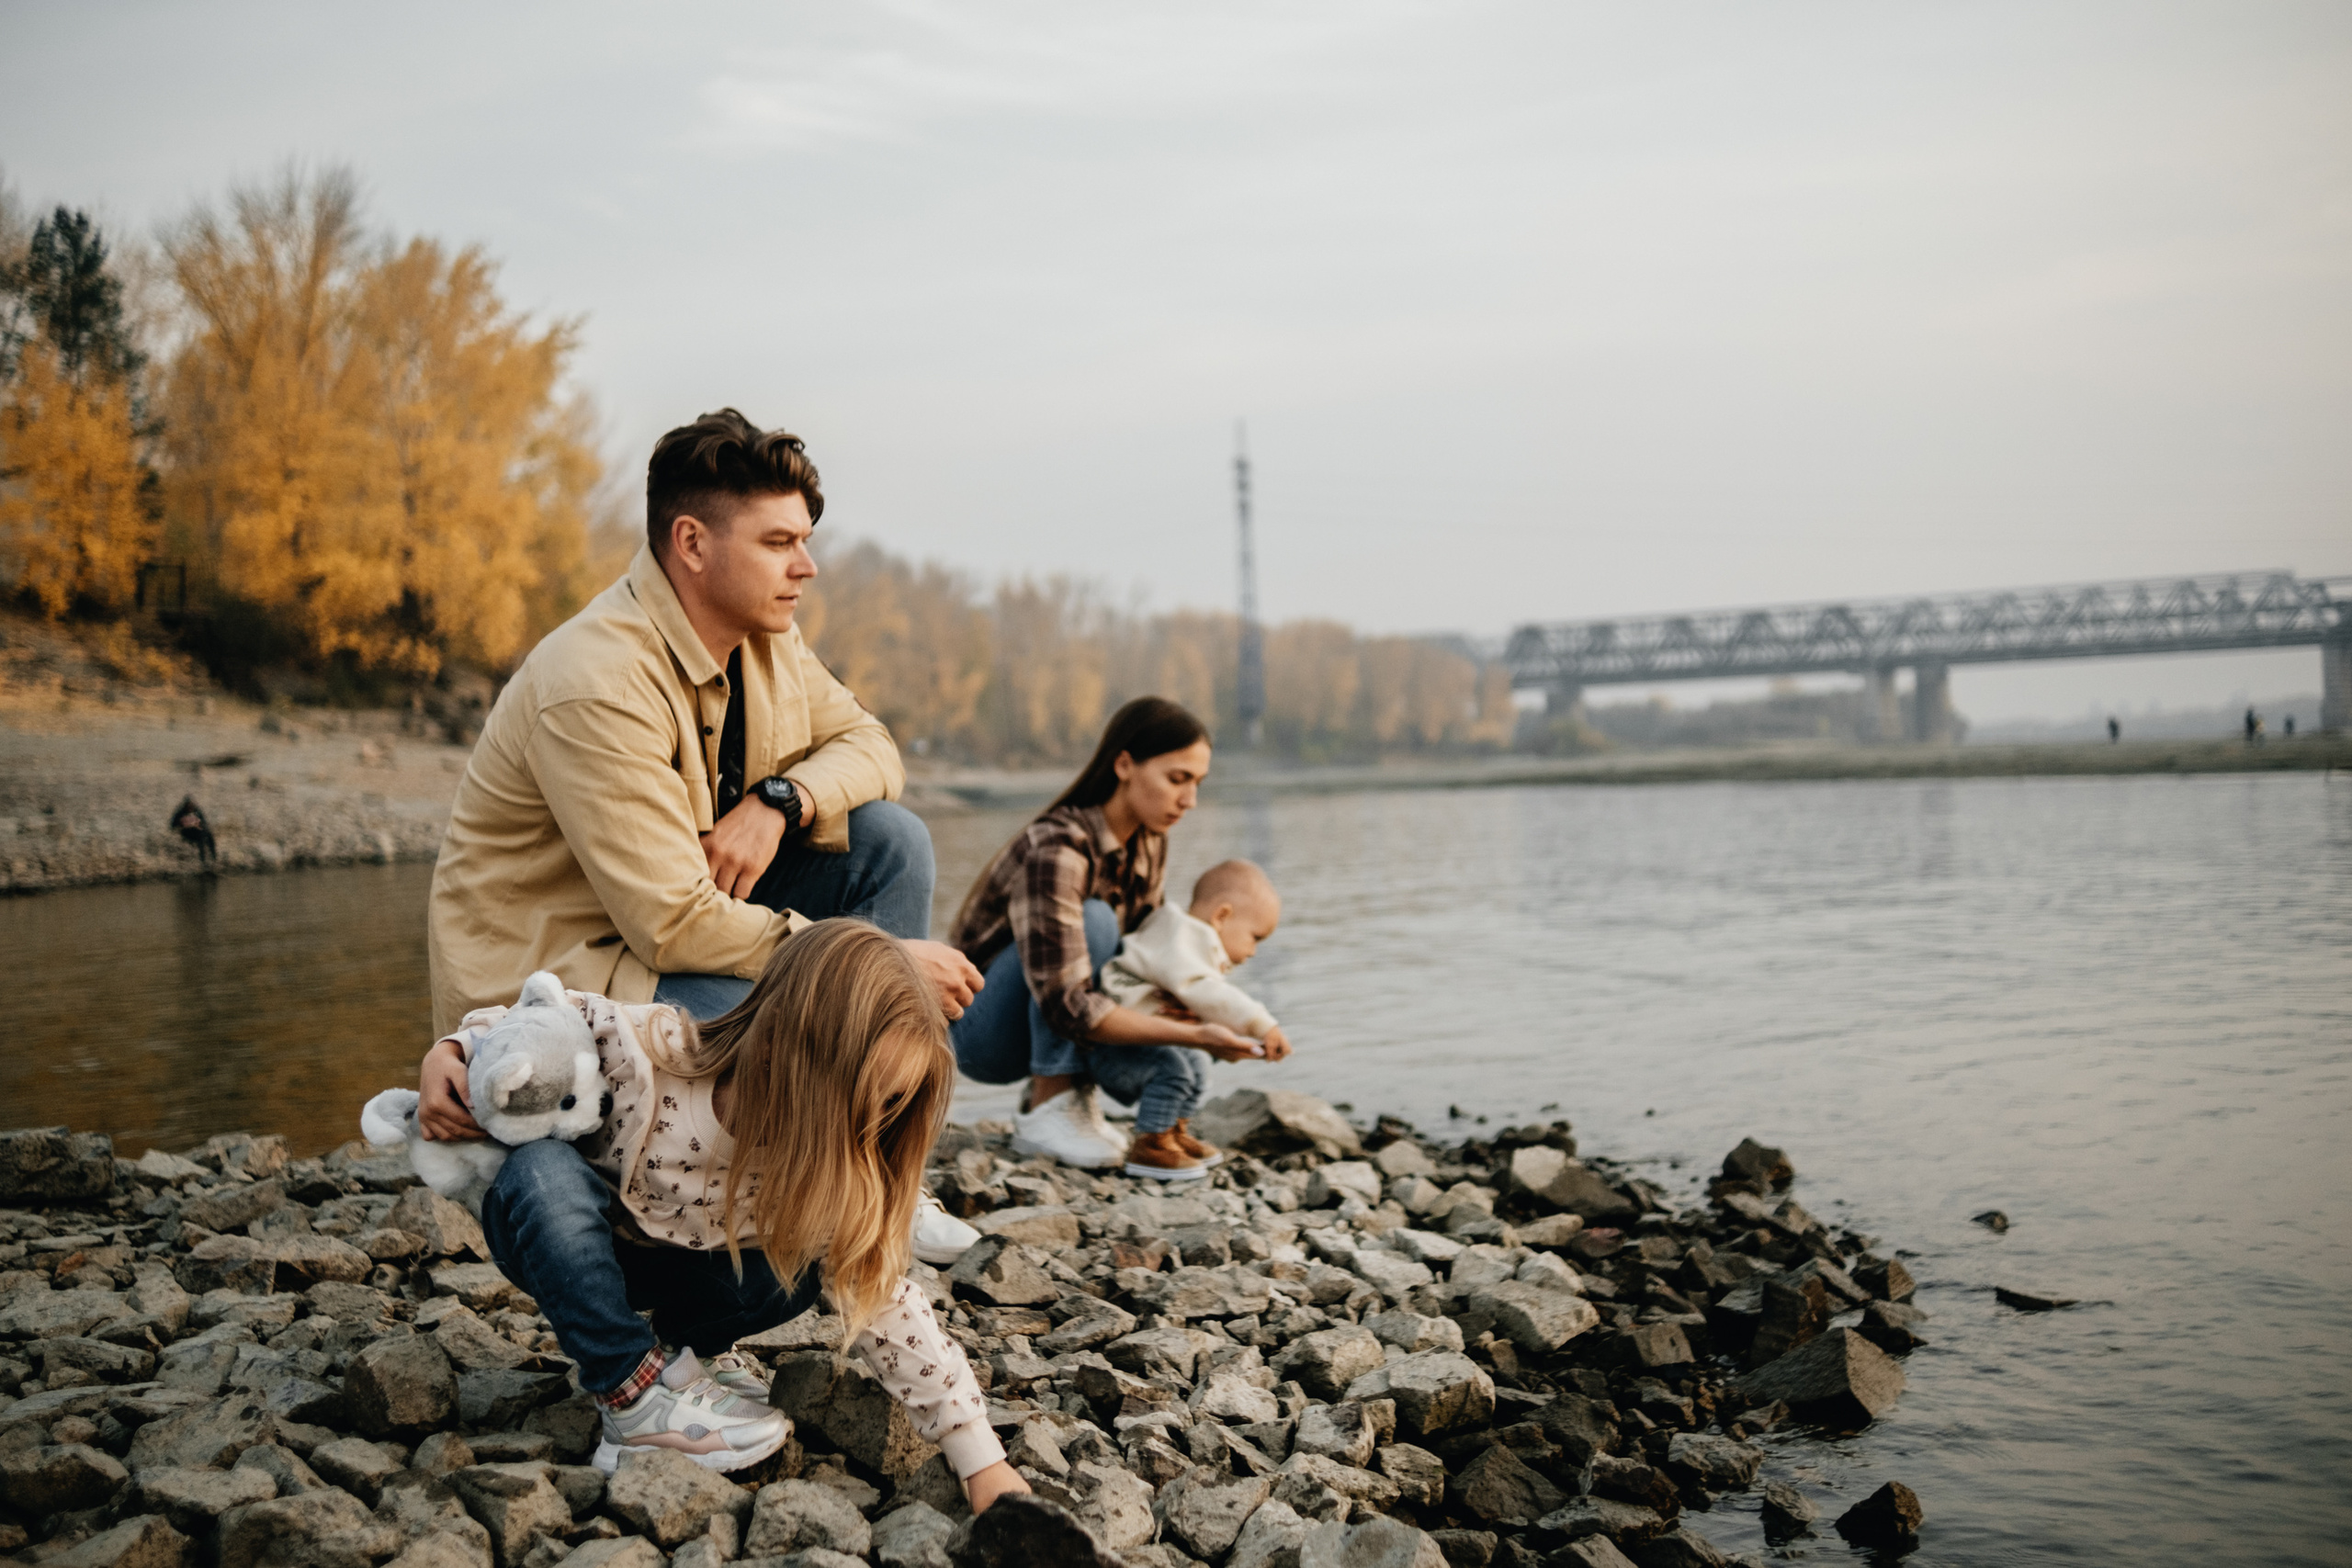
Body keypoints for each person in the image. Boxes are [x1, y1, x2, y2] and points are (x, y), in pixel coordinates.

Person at [424, 408, 984, 1261]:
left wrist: (781, 799)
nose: (808, 564)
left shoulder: (769, 640)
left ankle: (869, 1172)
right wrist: (875, 965)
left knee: (891, 840)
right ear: (691, 543)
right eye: (778, 541)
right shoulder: (598, 680)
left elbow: (875, 749)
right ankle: (819, 1180)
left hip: (674, 941)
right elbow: (671, 923)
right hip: (569, 990)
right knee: (792, 1017)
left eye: (804, 539)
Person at [413, 919, 1027, 1511]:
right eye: (856, 1093)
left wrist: (980, 1458)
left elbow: (883, 1300)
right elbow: (538, 1020)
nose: (867, 1127)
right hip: (569, 1249)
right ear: (783, 1039)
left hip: (689, 1276)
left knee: (806, 1266)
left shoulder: (827, 1165)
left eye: (890, 1102)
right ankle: (633, 1392)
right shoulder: (644, 1054)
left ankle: (691, 1359)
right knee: (540, 1171)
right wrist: (454, 1049)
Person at [948, 698, 1269, 1178]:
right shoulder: (1058, 847)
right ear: (1124, 764)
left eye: (1197, 783)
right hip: (980, 1030)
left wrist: (1195, 1005)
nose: (1190, 800)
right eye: (1177, 779)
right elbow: (1068, 1005)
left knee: (1163, 974)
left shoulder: (1148, 842)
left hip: (1055, 1014)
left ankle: (1076, 1099)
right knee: (1095, 921)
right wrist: (1194, 1034)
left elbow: (1138, 957)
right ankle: (1048, 1105)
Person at [1097, 858, 1293, 1122]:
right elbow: (1207, 993)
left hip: (1133, 1039)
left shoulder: (1181, 941)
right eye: (1255, 938)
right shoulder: (1184, 939)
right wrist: (1262, 1024)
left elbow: (1203, 998)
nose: (1253, 952)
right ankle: (1154, 1140)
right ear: (1222, 916)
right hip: (1114, 1047)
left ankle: (1177, 1130)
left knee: (1198, 1065)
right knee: (1176, 1072)